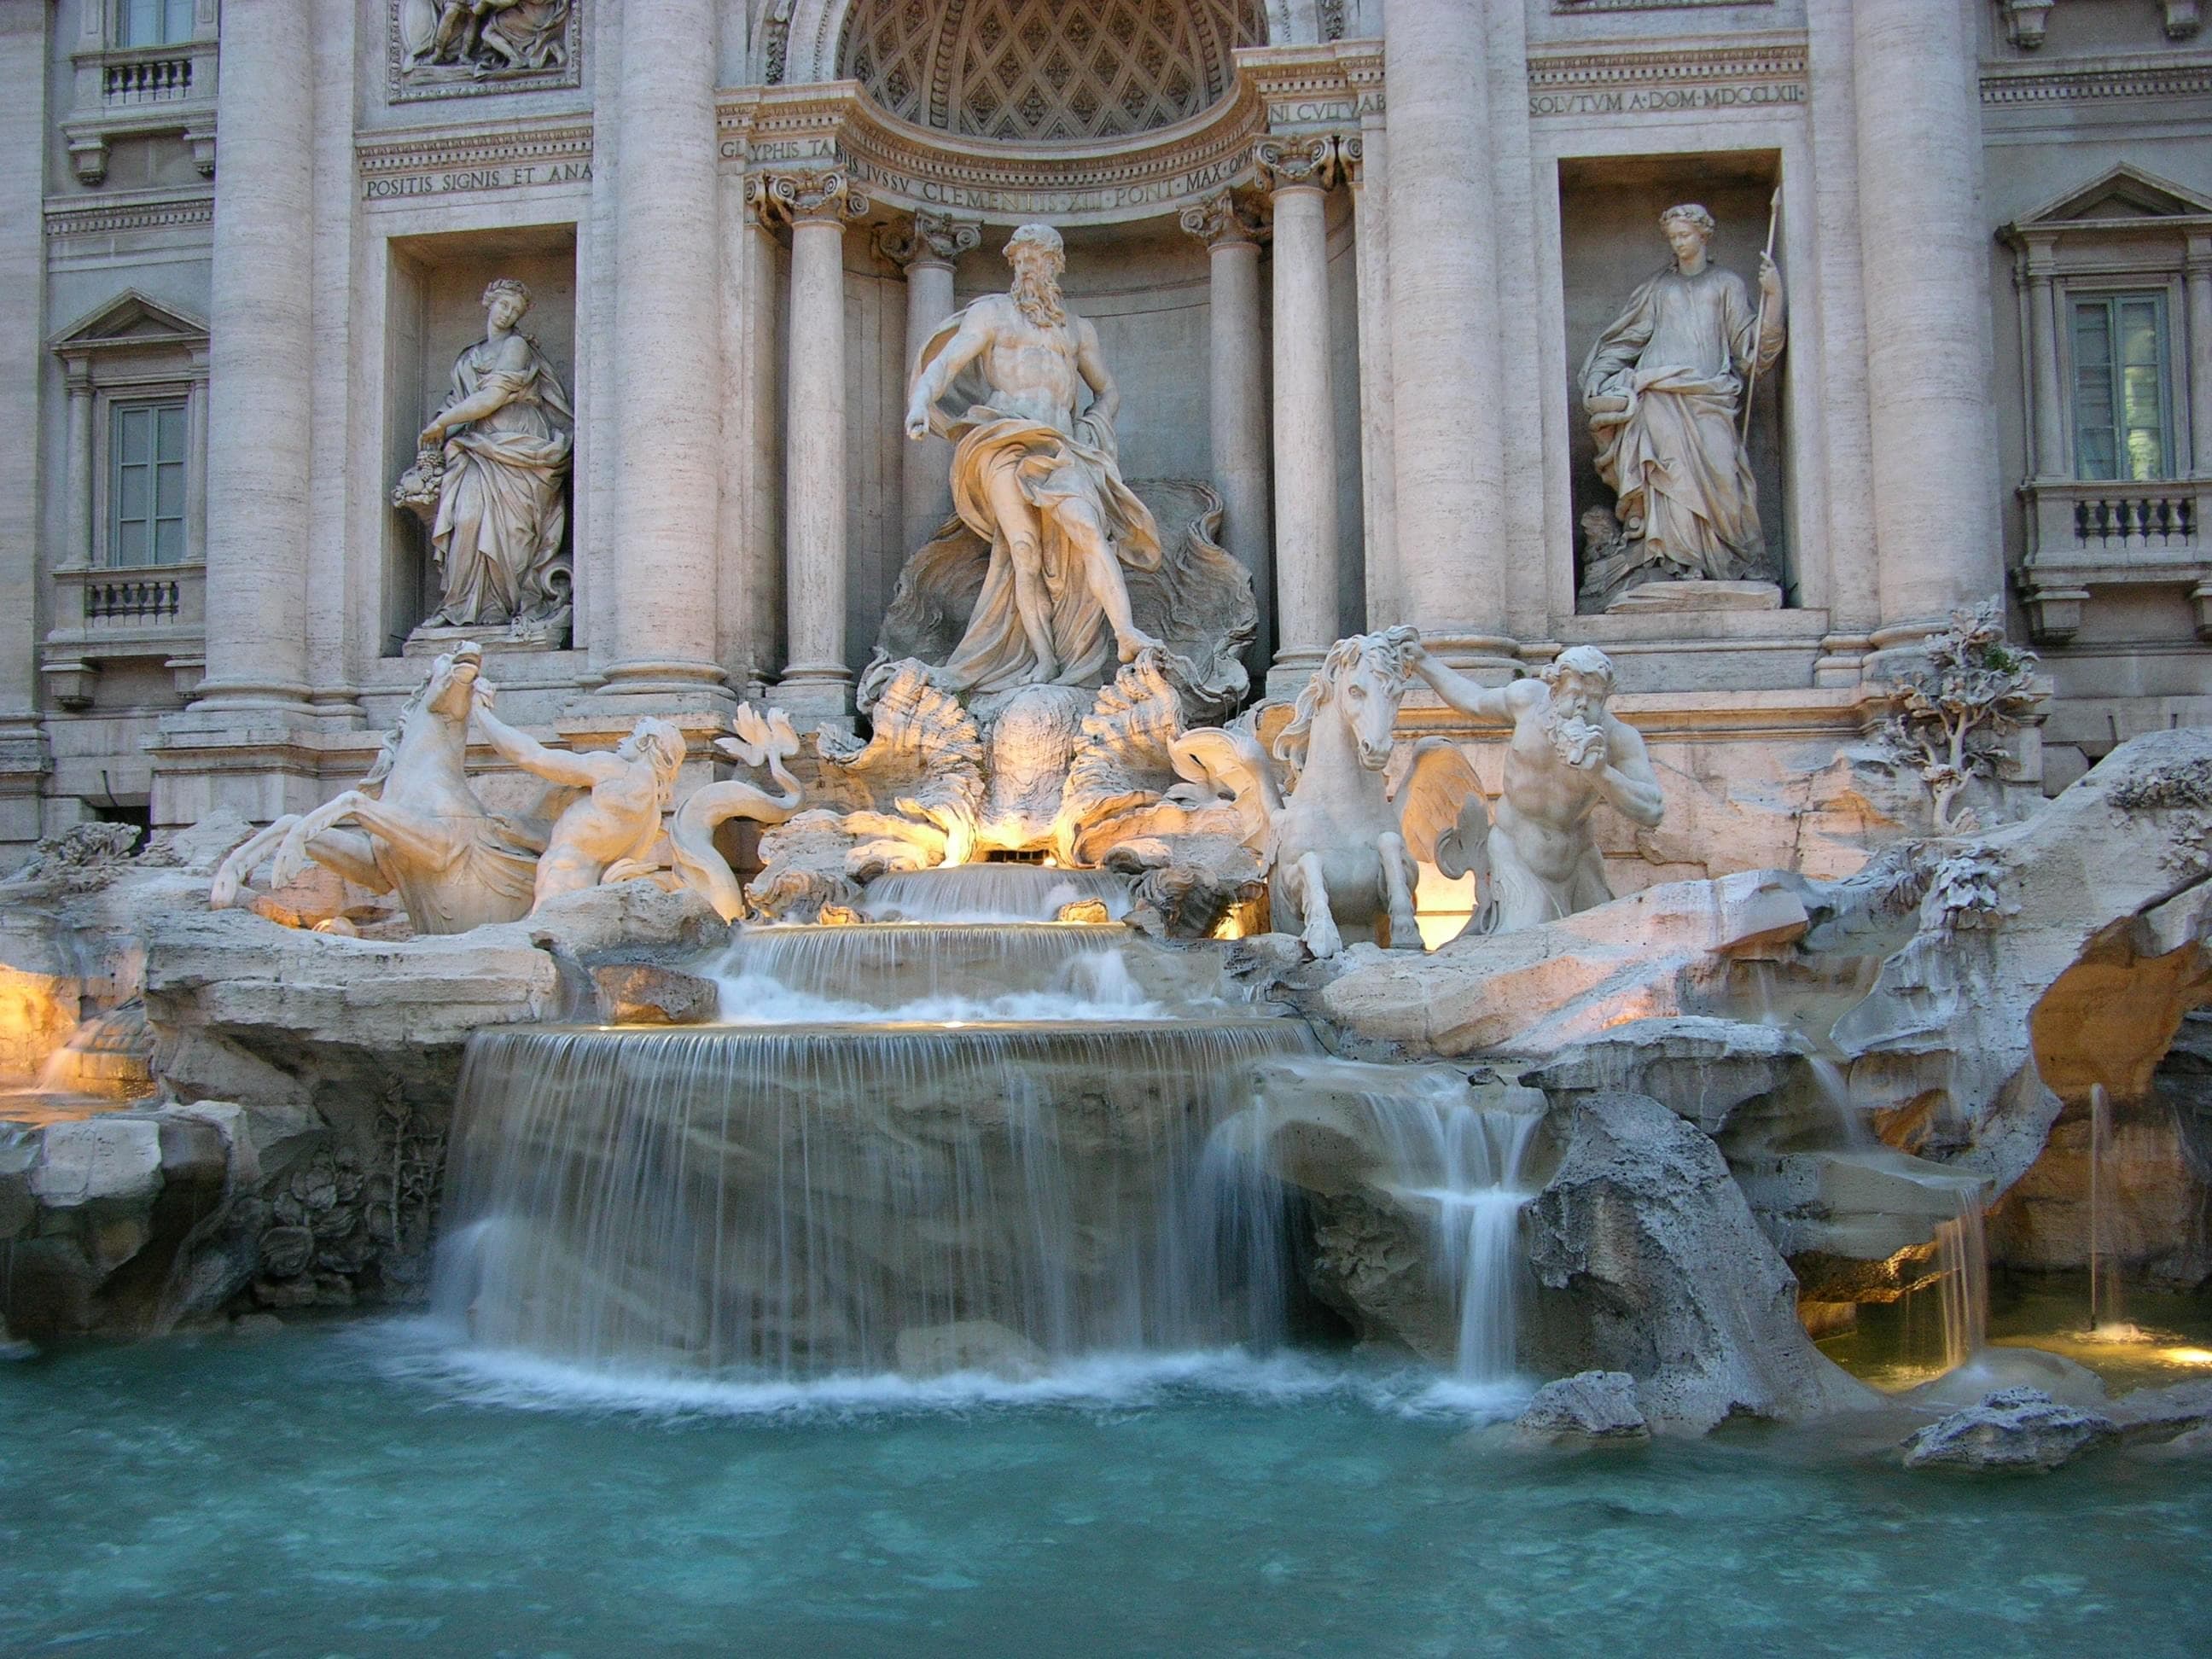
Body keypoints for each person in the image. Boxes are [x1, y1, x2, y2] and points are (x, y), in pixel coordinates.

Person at [903, 223, 1164, 696]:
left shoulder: (1078, 329)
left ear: (1055, 264)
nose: (1027, 267)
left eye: (1037, 258)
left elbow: (1107, 391)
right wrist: (921, 401)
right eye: (1020, 258)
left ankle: (1125, 634)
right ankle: (1043, 660)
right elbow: (945, 365)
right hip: (1001, 439)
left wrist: (1094, 426)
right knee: (1022, 551)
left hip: (1061, 444)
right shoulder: (993, 314)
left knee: (1087, 528)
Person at [1578, 203, 1784, 602]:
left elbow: (1752, 352)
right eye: (1672, 237)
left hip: (1709, 396)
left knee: (1723, 476)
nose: (1678, 243)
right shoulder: (1659, 288)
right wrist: (1600, 378)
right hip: (1658, 394)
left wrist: (1773, 298)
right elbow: (1625, 341)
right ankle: (1672, 561)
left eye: (1684, 235)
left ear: (1703, 235)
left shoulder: (1726, 284)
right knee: (1667, 478)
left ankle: (1723, 561)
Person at [1406, 643, 1665, 933]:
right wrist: (1423, 662)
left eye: (1594, 698)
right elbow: (1474, 700)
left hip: (1578, 862)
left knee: (1603, 947)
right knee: (1523, 941)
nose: (1582, 705)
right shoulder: (1527, 700)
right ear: (1555, 691)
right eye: (1574, 694)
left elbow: (1653, 809)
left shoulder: (1618, 738)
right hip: (1515, 853)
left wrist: (1600, 772)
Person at [416, 277, 573, 632]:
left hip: (518, 446)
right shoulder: (468, 357)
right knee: (468, 519)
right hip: (477, 446)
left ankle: (501, 609)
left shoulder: (516, 346)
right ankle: (460, 605)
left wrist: (442, 423)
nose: (508, 314)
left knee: (512, 533)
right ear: (489, 302)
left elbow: (490, 399)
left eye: (515, 310)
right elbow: (459, 402)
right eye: (504, 305)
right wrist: (439, 433)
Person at [469, 685, 684, 910]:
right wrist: (526, 837)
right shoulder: (652, 814)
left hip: (558, 888)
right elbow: (585, 848)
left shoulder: (616, 771)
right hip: (582, 890)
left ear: (645, 742)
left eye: (631, 736)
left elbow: (532, 756)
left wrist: (481, 713)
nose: (622, 740)